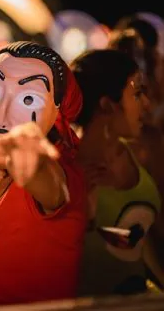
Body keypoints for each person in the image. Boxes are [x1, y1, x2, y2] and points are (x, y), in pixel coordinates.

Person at [0, 41, 87, 306]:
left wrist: (37, 166)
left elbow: (54, 190)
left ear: (57, 115)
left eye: (28, 99)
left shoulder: (59, 171)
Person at [72, 49, 164, 295]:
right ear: (107, 105)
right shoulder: (71, 167)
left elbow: (146, 241)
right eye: (136, 95)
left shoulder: (140, 152)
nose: (146, 104)